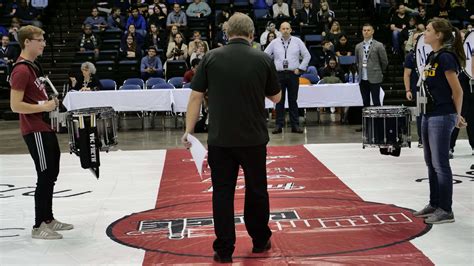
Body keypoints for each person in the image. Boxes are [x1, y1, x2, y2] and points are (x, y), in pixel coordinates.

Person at [181, 12, 281, 263]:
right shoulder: (262, 58)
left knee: (222, 193)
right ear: (251, 35)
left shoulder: (211, 57)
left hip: (221, 139)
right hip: (253, 138)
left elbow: (195, 97)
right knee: (257, 190)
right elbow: (277, 97)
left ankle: (224, 248)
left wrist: (189, 131)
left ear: (226, 34)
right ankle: (259, 240)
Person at [9, 25, 73, 240]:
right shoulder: (20, 70)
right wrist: (43, 107)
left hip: (44, 127)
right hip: (34, 129)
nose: (44, 43)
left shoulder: (33, 67)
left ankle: (48, 219)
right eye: (40, 39)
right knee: (45, 175)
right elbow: (15, 106)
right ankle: (38, 225)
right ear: (27, 42)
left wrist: (48, 103)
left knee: (52, 173)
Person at [412, 18, 467, 224]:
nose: (423, 33)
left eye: (427, 30)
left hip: (442, 115)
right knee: (430, 162)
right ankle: (434, 203)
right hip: (428, 114)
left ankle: (446, 209)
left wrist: (456, 115)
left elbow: (458, 91)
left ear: (439, 35)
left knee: (440, 164)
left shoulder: (446, 58)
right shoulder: (432, 56)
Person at [264, 22, 311, 134]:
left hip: (293, 74)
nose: (285, 30)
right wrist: (271, 70)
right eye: (283, 28)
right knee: (279, 101)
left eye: (287, 28)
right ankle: (278, 125)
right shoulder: (274, 42)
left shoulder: (297, 41)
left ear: (291, 30)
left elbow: (307, 55)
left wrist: (300, 69)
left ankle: (295, 125)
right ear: (279, 30)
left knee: (293, 100)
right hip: (278, 74)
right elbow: (264, 55)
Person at [354, 23, 388, 108]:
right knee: (365, 101)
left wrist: (379, 70)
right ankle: (367, 121)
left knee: (376, 100)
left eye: (368, 30)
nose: (366, 32)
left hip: (375, 76)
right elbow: (357, 61)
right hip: (362, 77)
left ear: (372, 31)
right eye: (364, 30)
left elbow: (384, 61)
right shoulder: (358, 46)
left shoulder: (378, 45)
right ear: (362, 32)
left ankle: (378, 121)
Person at [403, 31, 423, 147]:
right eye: (415, 39)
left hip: (432, 88)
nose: (417, 41)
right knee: (420, 113)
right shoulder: (411, 55)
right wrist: (408, 90)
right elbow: (407, 74)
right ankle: (421, 139)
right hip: (417, 88)